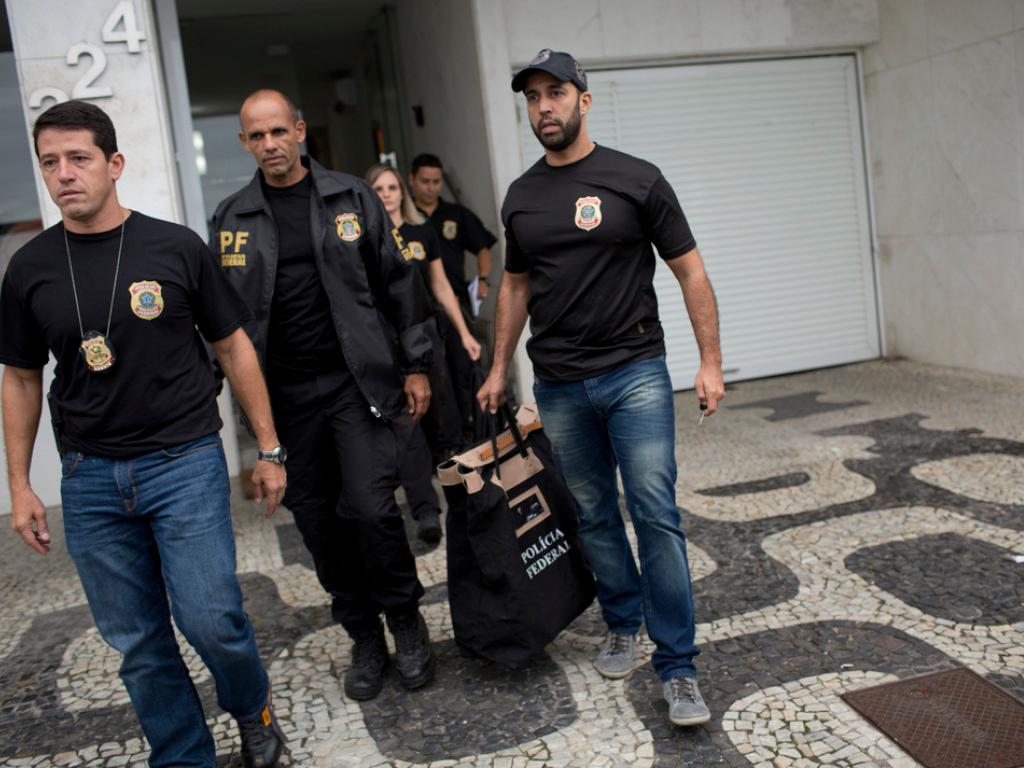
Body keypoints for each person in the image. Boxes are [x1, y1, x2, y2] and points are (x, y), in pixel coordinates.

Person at [0, 100, 286, 766]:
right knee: (138, 643)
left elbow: (233, 347)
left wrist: (268, 448)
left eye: (79, 158)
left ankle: (253, 709)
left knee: (212, 619)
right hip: (90, 476)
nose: (64, 173)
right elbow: (20, 378)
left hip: (183, 462)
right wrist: (20, 484)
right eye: (50, 162)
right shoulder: (30, 268)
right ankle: (184, 756)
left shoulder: (174, 247)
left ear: (115, 163)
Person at [477, 50, 726, 727]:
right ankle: (622, 620)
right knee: (591, 512)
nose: (544, 107)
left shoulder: (636, 179)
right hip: (559, 383)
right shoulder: (521, 196)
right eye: (533, 97)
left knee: (654, 511)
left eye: (555, 93)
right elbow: (516, 286)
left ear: (584, 100)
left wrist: (710, 361)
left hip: (634, 372)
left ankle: (678, 666)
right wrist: (499, 369)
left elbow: (690, 271)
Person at [210, 89, 436, 702]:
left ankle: (405, 620)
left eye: (278, 131)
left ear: (300, 131)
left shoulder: (350, 197)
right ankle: (363, 635)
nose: (270, 144)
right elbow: (221, 321)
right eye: (257, 136)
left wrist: (416, 365)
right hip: (284, 399)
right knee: (317, 521)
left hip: (354, 385)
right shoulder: (232, 219)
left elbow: (399, 284)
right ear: (244, 143)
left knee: (371, 509)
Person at [366, 163, 479, 542]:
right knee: (406, 420)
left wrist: (464, 332)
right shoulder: (363, 238)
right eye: (378, 188)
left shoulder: (422, 232)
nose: (386, 194)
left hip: (427, 335)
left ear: (403, 192)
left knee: (444, 417)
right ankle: (425, 509)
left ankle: (462, 501)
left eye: (392, 187)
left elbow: (441, 285)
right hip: (386, 340)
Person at [408, 153, 496, 431]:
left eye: (436, 181)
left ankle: (473, 431)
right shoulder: (404, 219)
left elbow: (483, 246)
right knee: (434, 374)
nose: (432, 187)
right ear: (412, 181)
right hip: (419, 311)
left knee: (463, 370)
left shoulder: (456, 214)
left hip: (455, 304)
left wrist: (483, 279)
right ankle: (445, 437)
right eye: (425, 181)